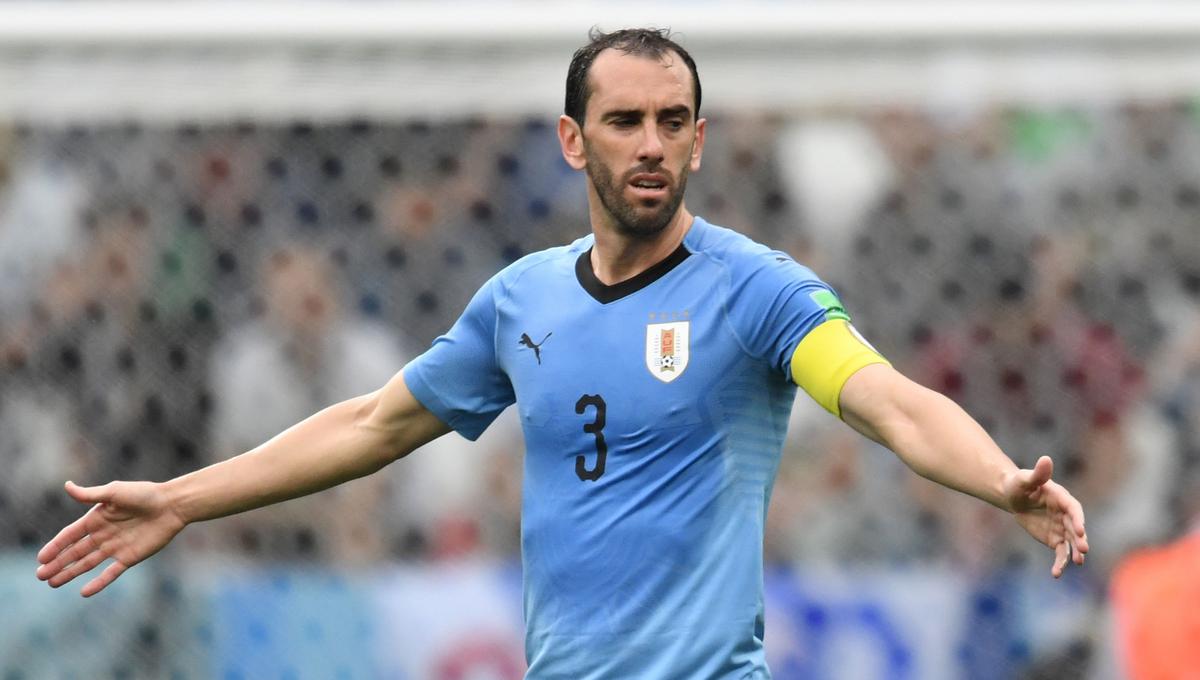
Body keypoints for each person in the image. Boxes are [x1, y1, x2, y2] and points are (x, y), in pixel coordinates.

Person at [36, 28, 1089, 679]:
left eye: (673, 121)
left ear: (700, 140)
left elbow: (889, 401)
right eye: (624, 120)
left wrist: (1000, 478)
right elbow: (372, 424)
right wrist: (182, 496)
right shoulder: (519, 301)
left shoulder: (754, 287)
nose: (651, 142)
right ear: (573, 140)